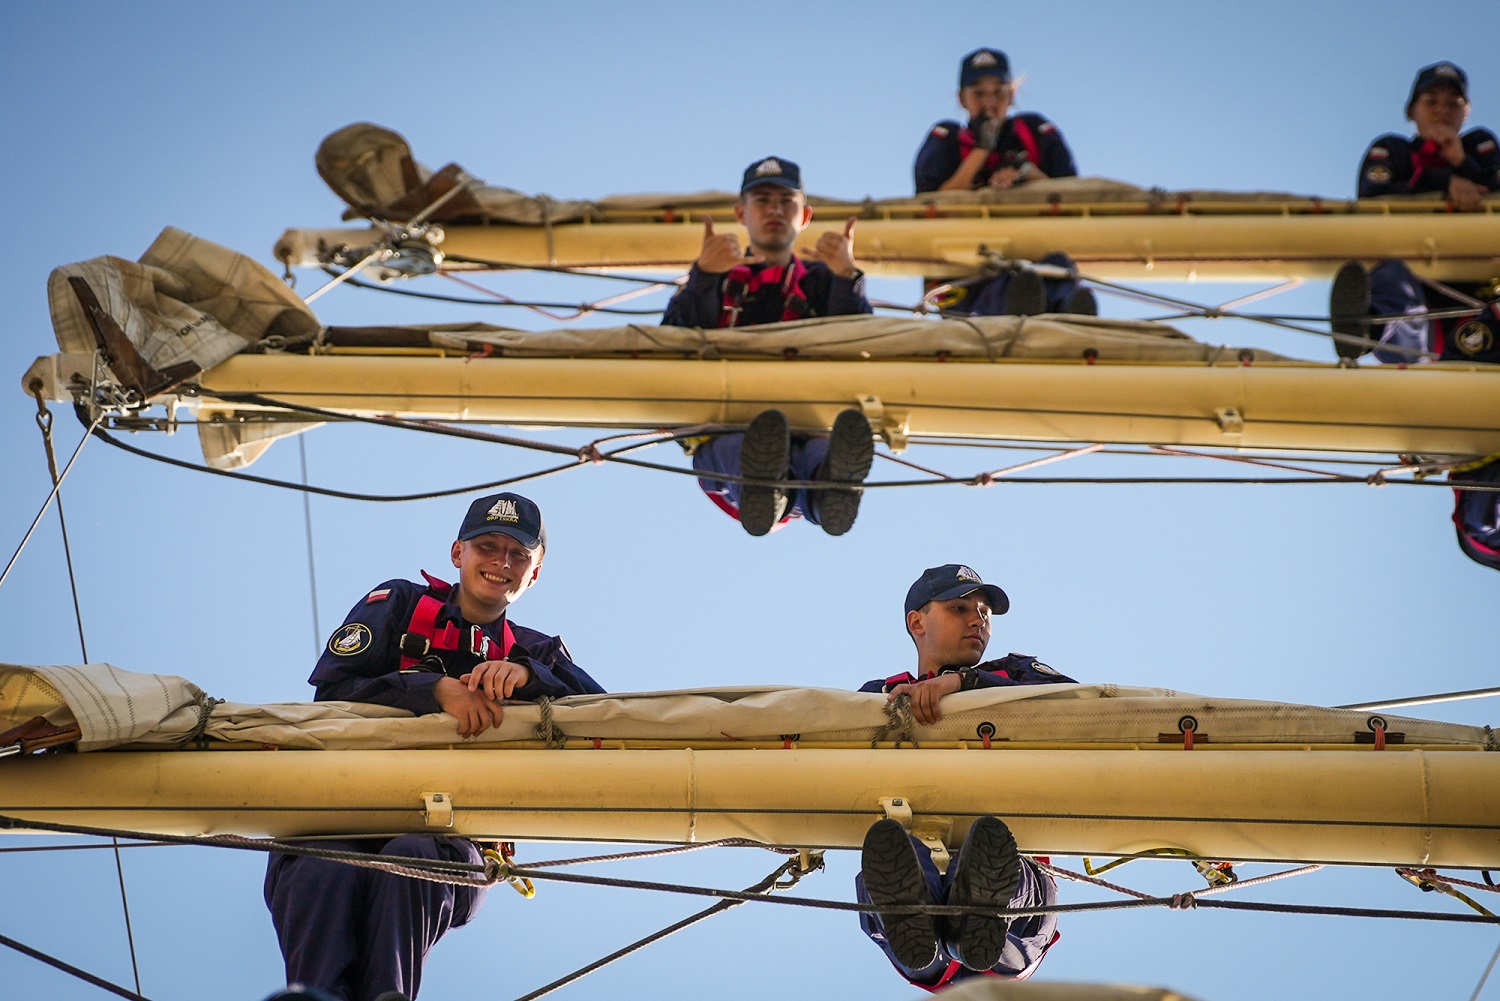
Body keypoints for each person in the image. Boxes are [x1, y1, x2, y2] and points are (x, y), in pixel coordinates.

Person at [264, 492, 604, 1001]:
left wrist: (527, 676)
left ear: (533, 575)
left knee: (414, 855)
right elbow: (331, 691)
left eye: (518, 556)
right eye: (487, 546)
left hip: (450, 839)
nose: (500, 562)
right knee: (319, 861)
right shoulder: (399, 604)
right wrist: (432, 689)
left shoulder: (538, 650)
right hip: (345, 813)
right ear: (457, 553)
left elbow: (602, 713)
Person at [855, 564, 1076, 990]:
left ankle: (955, 914)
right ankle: (921, 919)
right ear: (917, 622)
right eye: (960, 608)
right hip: (987, 944)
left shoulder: (1016, 674)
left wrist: (963, 683)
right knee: (896, 853)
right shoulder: (878, 698)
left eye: (984, 612)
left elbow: (1077, 702)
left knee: (993, 858)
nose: (978, 619)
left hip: (1011, 924)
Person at [661, 156, 876, 537]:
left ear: (804, 215)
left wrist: (848, 277)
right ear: (741, 213)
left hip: (810, 424)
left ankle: (830, 495)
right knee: (740, 448)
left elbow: (859, 340)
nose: (775, 209)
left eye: (785, 200)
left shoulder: (824, 279)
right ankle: (777, 496)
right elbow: (672, 343)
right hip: (729, 430)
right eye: (762, 200)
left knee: (818, 454)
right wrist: (704, 277)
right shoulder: (719, 276)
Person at [1332, 62, 1500, 363]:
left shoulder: (1480, 146)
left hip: (1480, 306)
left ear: (1467, 111)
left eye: (1453, 102)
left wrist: (1463, 162)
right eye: (1431, 100)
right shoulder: (1393, 150)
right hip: (1416, 309)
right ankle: (1365, 331)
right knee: (1391, 275)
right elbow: (1372, 194)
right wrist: (1446, 182)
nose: (1442, 110)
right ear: (1412, 111)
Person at [915, 49, 1092, 317]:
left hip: (1031, 259)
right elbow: (929, 202)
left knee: (1057, 266)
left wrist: (1024, 172)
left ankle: (1070, 313)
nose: (989, 103)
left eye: (998, 92)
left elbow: (1070, 194)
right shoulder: (946, 137)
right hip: (962, 275)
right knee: (1007, 283)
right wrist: (982, 150)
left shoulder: (1035, 131)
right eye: (979, 93)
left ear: (1012, 94)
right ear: (962, 98)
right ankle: (1025, 306)